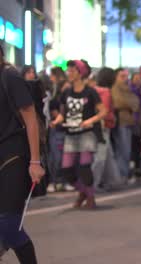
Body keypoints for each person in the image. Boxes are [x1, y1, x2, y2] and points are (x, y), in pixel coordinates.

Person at [0, 44, 45, 263]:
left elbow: (30, 118)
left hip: (14, 154)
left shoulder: (9, 77)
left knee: (9, 223)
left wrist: (35, 161)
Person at [50, 60, 107, 209]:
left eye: (72, 71)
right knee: (67, 169)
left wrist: (90, 121)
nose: (69, 73)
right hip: (70, 133)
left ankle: (90, 197)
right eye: (68, 71)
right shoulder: (66, 92)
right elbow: (63, 114)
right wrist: (56, 121)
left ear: (80, 73)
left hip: (86, 133)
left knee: (84, 167)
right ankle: (85, 193)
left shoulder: (90, 92)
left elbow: (103, 111)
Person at [111, 68, 140, 182]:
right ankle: (121, 175)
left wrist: (129, 103)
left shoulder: (128, 89)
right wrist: (130, 104)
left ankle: (123, 174)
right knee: (123, 150)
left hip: (129, 122)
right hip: (121, 122)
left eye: (126, 76)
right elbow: (118, 102)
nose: (125, 79)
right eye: (122, 76)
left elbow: (136, 102)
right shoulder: (115, 88)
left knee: (126, 149)